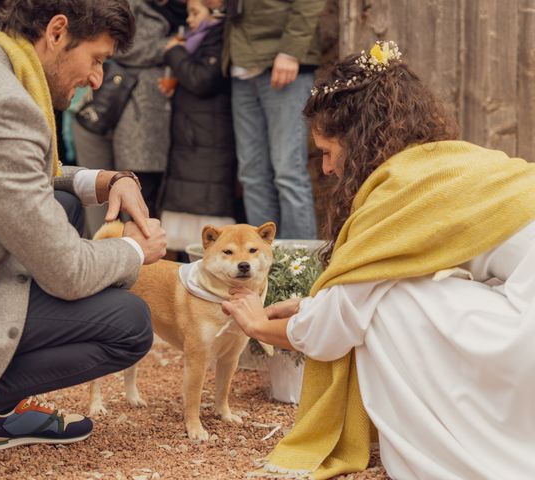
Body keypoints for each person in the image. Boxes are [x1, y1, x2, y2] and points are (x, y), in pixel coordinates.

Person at [222, 41, 535, 480]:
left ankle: (469, 450)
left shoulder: (398, 191)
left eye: (328, 153)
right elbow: (348, 300)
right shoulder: (446, 162)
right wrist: (313, 305)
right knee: (400, 289)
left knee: (391, 303)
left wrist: (258, 325)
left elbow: (339, 324)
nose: (326, 170)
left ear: (357, 141)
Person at [0, 1, 168, 478]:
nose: (97, 79)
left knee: (62, 208)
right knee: (128, 323)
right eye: (98, 59)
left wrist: (106, 180)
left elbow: (24, 174)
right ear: (58, 32)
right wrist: (133, 251)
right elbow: (67, 272)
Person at [72, 0, 187, 236]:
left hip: (152, 112)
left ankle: (137, 257)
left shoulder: (184, 10)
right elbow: (121, 47)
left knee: (141, 189)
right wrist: (169, 46)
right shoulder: (130, 6)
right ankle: (104, 251)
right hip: (117, 106)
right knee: (105, 187)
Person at [222, 0, 325, 240]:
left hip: (283, 61)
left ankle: (299, 266)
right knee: (251, 174)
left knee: (288, 171)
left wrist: (291, 50)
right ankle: (264, 262)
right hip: (241, 64)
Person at [157, 0, 238, 256]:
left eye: (195, 13)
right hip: (194, 136)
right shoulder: (196, 39)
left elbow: (203, 79)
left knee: (206, 219)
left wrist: (174, 52)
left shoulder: (217, 36)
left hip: (209, 138)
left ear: (213, 11)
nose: (189, 19)